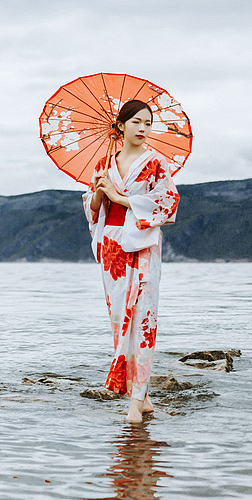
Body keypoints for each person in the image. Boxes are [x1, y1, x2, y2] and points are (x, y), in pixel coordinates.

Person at [84, 99, 180, 424]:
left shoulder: (156, 163)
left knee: (142, 319)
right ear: (121, 125)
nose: (143, 129)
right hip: (112, 248)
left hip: (142, 248)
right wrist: (99, 194)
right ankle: (142, 394)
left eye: (148, 123)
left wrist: (120, 197)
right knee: (118, 321)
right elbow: (93, 209)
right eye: (137, 122)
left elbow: (168, 204)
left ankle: (135, 403)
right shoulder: (104, 163)